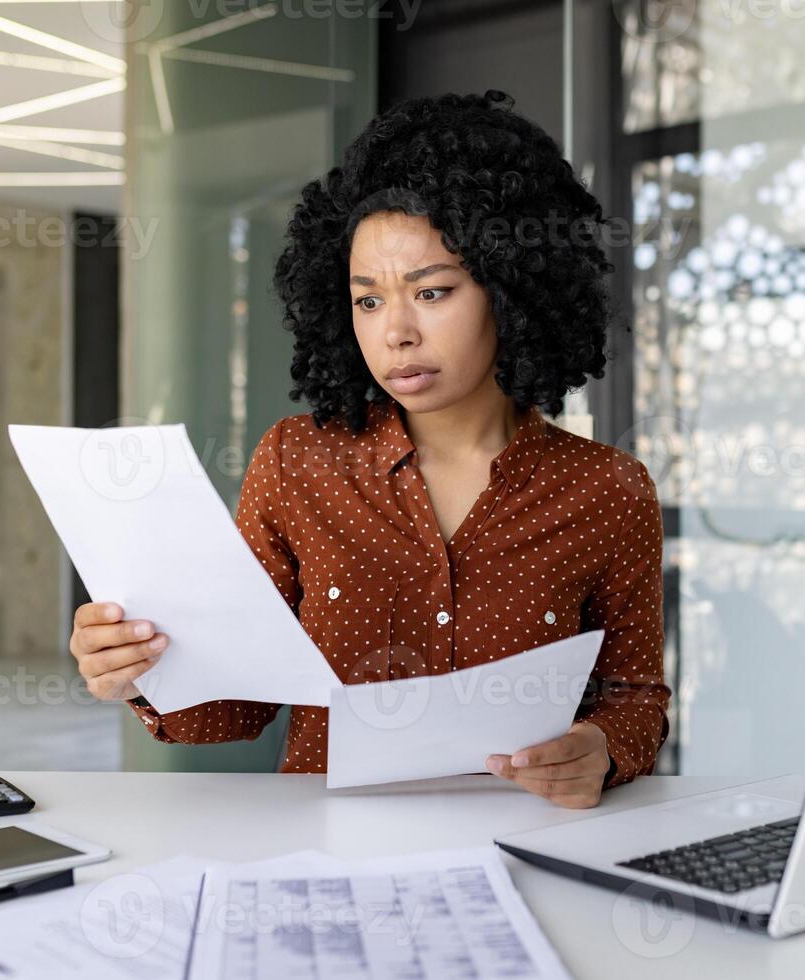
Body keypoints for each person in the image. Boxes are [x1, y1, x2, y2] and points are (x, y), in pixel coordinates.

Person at [69, 90, 670, 808]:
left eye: (433, 292)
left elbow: (634, 697)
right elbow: (234, 709)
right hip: (329, 861)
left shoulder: (608, 488)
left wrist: (600, 750)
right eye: (369, 300)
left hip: (527, 847)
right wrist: (142, 670)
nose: (396, 333)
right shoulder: (296, 465)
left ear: (512, 290)